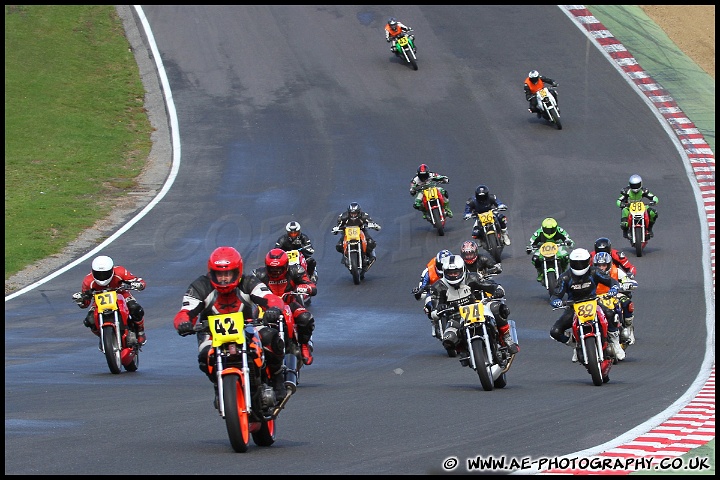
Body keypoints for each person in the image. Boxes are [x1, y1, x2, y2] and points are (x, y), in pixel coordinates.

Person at [173, 246, 289, 404]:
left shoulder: (248, 282)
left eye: (227, 274)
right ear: (211, 273)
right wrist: (183, 323)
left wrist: (274, 309)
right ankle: (218, 385)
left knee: (271, 337)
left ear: (237, 272)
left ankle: (277, 378)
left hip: (247, 327)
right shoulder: (200, 286)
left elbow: (269, 297)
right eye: (219, 274)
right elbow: (185, 311)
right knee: (204, 356)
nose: (223, 279)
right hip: (211, 333)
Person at [428, 255, 519, 361]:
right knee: (448, 340)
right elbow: (434, 310)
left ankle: (506, 337)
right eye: (450, 273)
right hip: (456, 317)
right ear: (444, 272)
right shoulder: (438, 287)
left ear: (462, 270)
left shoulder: (472, 277)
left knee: (497, 308)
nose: (453, 275)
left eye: (456, 272)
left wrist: (497, 289)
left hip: (478, 307)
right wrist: (439, 309)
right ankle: (465, 351)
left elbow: (489, 285)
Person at [549, 248, 620, 366]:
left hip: (594, 302)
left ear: (588, 262)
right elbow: (556, 294)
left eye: (582, 263)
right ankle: (575, 344)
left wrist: (614, 288)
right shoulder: (565, 277)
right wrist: (556, 301)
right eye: (576, 263)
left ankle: (615, 342)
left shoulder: (594, 272)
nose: (579, 266)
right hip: (573, 307)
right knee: (555, 331)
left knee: (611, 314)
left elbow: (611, 281)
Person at [253, 248, 317, 366]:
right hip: (266, 307)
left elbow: (311, 285)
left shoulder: (296, 270)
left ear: (286, 266)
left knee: (306, 318)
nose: (276, 272)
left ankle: (304, 345)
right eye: (272, 269)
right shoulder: (258, 274)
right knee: (251, 324)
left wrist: (305, 287)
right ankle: (255, 353)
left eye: (279, 269)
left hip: (289, 304)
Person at [73, 255, 147, 346]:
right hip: (98, 300)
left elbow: (138, 280)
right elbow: (85, 303)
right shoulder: (88, 281)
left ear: (111, 270)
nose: (102, 277)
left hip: (121, 294)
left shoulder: (120, 271)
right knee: (89, 320)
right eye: (99, 274)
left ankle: (140, 331)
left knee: (135, 308)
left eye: (105, 273)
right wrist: (81, 300)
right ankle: (102, 336)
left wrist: (138, 284)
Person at [593, 251, 639, 359]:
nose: (601, 268)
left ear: (609, 264)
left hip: (613, 295)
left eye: (603, 265)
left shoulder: (616, 271)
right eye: (599, 265)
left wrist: (626, 285)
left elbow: (629, 281)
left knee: (626, 302)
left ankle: (628, 327)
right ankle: (578, 347)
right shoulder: (590, 274)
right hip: (595, 298)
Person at [333, 202, 381, 267]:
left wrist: (374, 225)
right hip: (347, 234)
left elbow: (370, 222)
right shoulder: (343, 216)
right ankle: (345, 256)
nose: (353, 215)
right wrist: (336, 229)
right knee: (339, 245)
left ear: (358, 212)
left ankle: (370, 255)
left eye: (355, 213)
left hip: (361, 231)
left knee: (371, 243)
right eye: (352, 213)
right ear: (349, 212)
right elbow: (338, 225)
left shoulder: (364, 216)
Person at [526, 217, 575, 282]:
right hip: (542, 248)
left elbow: (569, 241)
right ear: (543, 228)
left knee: (566, 257)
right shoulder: (538, 233)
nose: (549, 232)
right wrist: (530, 249)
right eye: (547, 230)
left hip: (557, 247)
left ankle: (564, 270)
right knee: (535, 259)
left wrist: (568, 243)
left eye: (551, 230)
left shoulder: (560, 231)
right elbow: (531, 244)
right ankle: (540, 272)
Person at [616, 174, 659, 238]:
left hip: (641, 206)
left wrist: (654, 201)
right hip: (629, 207)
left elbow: (653, 197)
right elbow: (619, 200)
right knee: (624, 214)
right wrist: (622, 204)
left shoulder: (644, 191)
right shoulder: (625, 191)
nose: (635, 187)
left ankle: (649, 229)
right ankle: (625, 231)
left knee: (653, 213)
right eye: (633, 185)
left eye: (637, 185)